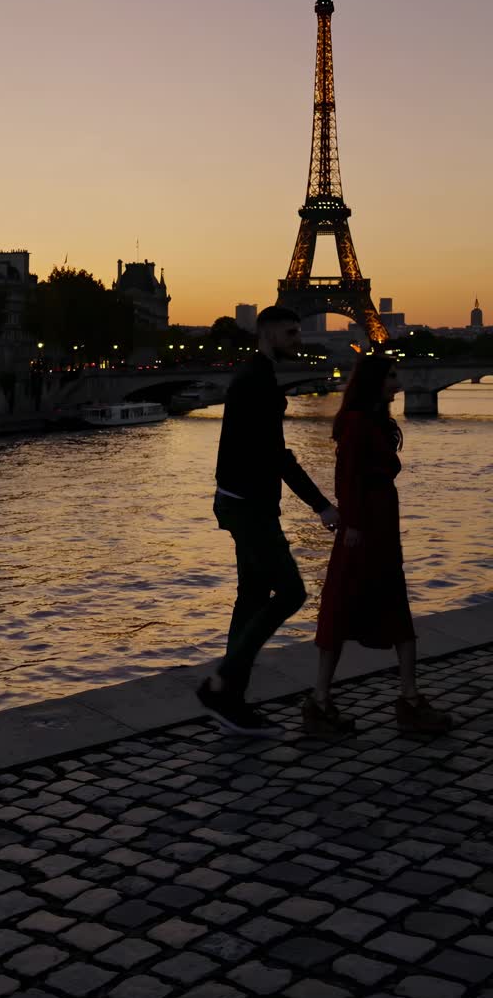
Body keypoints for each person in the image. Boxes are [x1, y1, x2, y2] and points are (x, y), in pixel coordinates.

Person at [197, 305, 339, 735]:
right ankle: (222, 683)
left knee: (253, 596)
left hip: (241, 499)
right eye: (292, 332)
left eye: (299, 330)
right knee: (292, 591)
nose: (300, 338)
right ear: (268, 333)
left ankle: (231, 700)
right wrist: (321, 505)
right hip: (249, 505)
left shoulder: (255, 377)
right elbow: (277, 456)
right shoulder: (258, 383)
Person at [302, 354, 452, 739]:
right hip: (364, 525)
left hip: (380, 524)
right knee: (344, 605)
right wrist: (351, 523)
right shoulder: (356, 423)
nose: (397, 380)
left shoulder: (371, 421)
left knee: (381, 604)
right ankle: (337, 700)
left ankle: (407, 695)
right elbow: (347, 475)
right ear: (374, 381)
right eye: (391, 375)